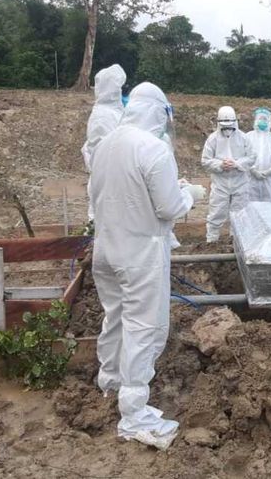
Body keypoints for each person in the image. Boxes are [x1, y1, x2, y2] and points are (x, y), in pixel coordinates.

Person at [90, 82, 206, 450]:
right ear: (158, 112)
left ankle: (108, 381)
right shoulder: (153, 148)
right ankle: (134, 412)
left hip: (106, 250)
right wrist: (192, 193)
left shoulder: (107, 143)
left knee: (116, 318)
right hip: (139, 255)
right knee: (144, 327)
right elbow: (170, 208)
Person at [201, 106, 256, 242]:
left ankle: (236, 242)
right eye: (224, 127)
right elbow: (205, 160)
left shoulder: (243, 138)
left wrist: (236, 164)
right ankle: (211, 242)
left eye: (230, 127)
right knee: (216, 213)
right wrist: (220, 165)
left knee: (239, 214)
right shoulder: (212, 139)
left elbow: (252, 157)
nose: (227, 130)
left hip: (240, 182)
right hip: (220, 183)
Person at [80, 64, 126, 221]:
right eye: (118, 88)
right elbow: (102, 154)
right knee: (104, 226)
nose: (121, 91)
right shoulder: (102, 116)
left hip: (116, 182)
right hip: (108, 183)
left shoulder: (115, 111)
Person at [246, 107, 271, 202]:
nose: (262, 121)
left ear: (269, 121)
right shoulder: (248, 137)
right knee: (250, 206)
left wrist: (270, 170)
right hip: (250, 178)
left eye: (265, 119)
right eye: (260, 119)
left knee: (269, 206)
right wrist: (252, 170)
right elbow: (243, 156)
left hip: (269, 179)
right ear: (255, 120)